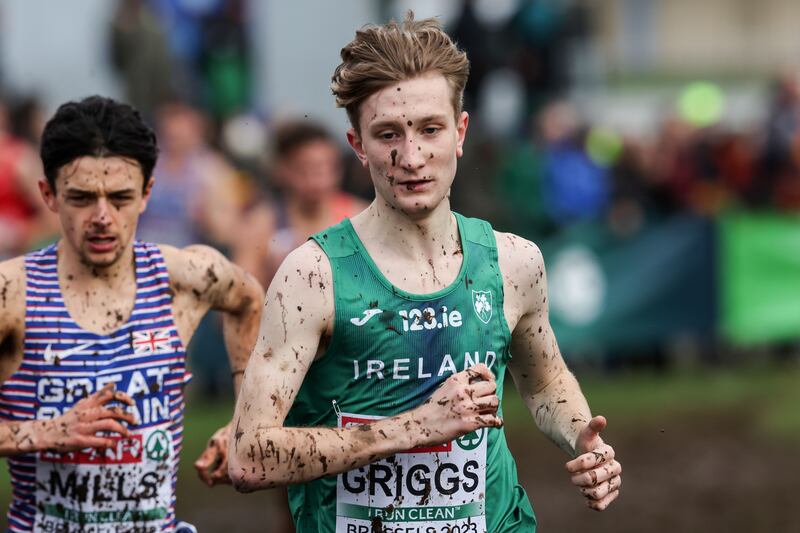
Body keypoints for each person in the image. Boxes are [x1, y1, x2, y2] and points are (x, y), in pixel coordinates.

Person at [229, 13, 621, 532]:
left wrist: (581, 438)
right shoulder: (313, 276)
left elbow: (545, 381)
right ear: (358, 146)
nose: (411, 156)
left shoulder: (514, 262)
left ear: (459, 132)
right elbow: (250, 457)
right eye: (388, 133)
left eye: (429, 130)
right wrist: (413, 427)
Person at [0, 96, 262, 532]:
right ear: (48, 194)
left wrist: (244, 421)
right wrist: (45, 433)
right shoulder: (13, 292)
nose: (102, 217)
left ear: (146, 194)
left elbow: (249, 300)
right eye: (81, 198)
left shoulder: (186, 275)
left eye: (120, 197)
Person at [234, 118, 368, 288]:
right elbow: (240, 294)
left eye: (326, 168)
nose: (317, 180)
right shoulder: (261, 225)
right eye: (305, 169)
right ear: (283, 169)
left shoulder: (361, 218)